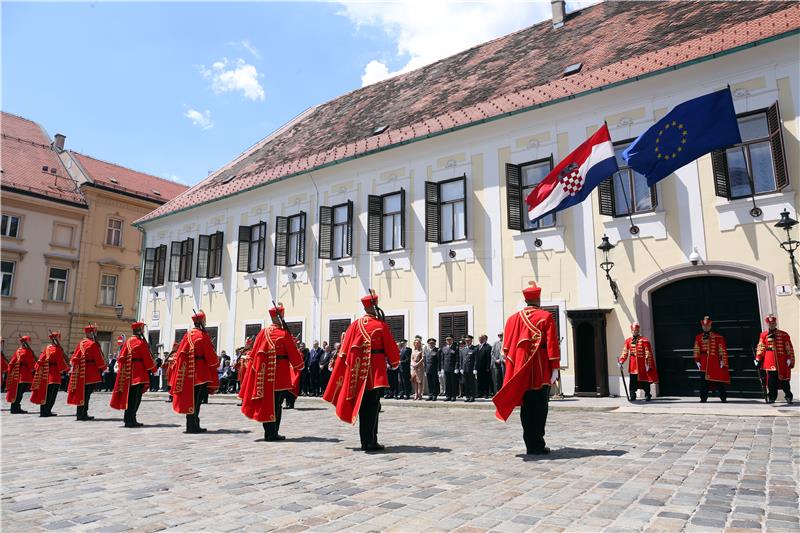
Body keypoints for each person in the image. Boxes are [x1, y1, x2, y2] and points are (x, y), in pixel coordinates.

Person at [323, 292, 400, 452]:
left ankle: (367, 440)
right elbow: (391, 349)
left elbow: (343, 351)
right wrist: (394, 363)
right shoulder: (380, 325)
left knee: (365, 407)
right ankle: (370, 441)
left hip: (356, 374)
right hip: (376, 373)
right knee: (373, 407)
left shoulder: (354, 325)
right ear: (374, 306)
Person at [493, 282, 560, 455]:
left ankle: (530, 443)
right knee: (540, 408)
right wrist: (555, 368)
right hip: (540, 371)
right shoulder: (546, 317)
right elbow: (552, 345)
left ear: (525, 299)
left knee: (527, 408)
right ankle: (537, 444)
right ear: (538, 298)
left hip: (519, 371)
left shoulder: (512, 319)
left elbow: (506, 349)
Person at [241, 304, 305, 441]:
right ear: (280, 317)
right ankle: (273, 432)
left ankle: (268, 432)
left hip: (263, 375)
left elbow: (253, 355)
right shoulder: (283, 334)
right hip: (280, 375)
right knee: (277, 404)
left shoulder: (262, 333)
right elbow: (294, 355)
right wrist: (299, 365)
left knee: (267, 404)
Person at [169, 310, 220, 433]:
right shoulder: (202, 336)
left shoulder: (187, 335)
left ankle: (191, 424)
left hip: (187, 373)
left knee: (190, 400)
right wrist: (215, 362)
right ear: (202, 321)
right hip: (200, 373)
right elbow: (210, 355)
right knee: (197, 401)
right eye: (204, 321)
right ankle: (193, 425)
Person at [110, 322, 156, 427]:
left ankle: (128, 419)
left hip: (128, 374)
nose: (144, 331)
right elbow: (147, 359)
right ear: (140, 330)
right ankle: (131, 419)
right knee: (135, 399)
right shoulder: (141, 342)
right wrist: (154, 368)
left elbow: (121, 357)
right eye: (143, 329)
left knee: (129, 397)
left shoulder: (127, 342)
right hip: (139, 374)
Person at [67, 325, 108, 421]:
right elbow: (98, 359)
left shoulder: (81, 343)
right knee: (86, 395)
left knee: (82, 394)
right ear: (92, 333)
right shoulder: (92, 344)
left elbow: (74, 358)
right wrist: (104, 367)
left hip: (81, 372)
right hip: (90, 373)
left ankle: (80, 413)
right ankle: (83, 413)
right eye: (95, 331)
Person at [756, 314, 794, 404]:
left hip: (782, 361)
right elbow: (761, 347)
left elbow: (788, 347)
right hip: (769, 361)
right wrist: (758, 358)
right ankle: (772, 397)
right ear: (767, 324)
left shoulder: (784, 334)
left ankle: (788, 396)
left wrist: (789, 358)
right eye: (770, 324)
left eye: (773, 323)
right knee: (771, 381)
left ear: (775, 323)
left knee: (784, 380)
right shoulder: (763, 335)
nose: (771, 325)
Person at [30, 331, 69, 417]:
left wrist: (37, 369)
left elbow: (41, 360)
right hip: (54, 374)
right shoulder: (57, 349)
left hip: (46, 374)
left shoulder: (47, 348)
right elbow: (60, 362)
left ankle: (43, 411)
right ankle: (47, 411)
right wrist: (67, 368)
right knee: (52, 395)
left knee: (45, 393)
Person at [618, 322, 658, 401]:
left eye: (636, 330)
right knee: (633, 381)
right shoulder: (628, 341)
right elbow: (625, 352)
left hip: (642, 365)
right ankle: (632, 395)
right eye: (633, 330)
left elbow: (648, 352)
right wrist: (621, 361)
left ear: (638, 330)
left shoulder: (644, 340)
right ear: (631, 331)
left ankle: (647, 394)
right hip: (633, 365)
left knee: (645, 380)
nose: (635, 331)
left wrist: (647, 363)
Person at [693, 316, 730, 403]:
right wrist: (697, 360)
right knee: (703, 382)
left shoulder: (717, 337)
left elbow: (721, 349)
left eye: (707, 326)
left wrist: (722, 360)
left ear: (710, 326)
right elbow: (696, 349)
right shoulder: (698, 337)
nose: (705, 327)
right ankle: (703, 398)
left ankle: (723, 397)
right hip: (703, 361)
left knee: (718, 381)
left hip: (714, 361)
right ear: (702, 326)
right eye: (704, 326)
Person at [6, 336, 37, 414]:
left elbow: (11, 362)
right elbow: (31, 364)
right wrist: (36, 368)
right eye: (29, 341)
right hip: (24, 375)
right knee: (19, 393)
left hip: (17, 375)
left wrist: (11, 373)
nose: (30, 342)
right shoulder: (27, 351)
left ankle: (14, 407)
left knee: (17, 392)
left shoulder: (18, 351)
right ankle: (15, 408)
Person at [460, 335, 478, 402]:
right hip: (464, 369)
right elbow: (461, 360)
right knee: (466, 383)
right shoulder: (463, 349)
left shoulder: (475, 349)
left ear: (471, 341)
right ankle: (467, 396)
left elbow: (476, 360)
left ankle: (472, 396)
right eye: (466, 340)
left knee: (471, 383)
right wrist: (461, 368)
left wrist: (475, 368)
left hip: (471, 369)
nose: (467, 342)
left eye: (469, 340)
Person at [441, 336, 459, 401]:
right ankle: (448, 396)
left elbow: (457, 358)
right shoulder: (444, 348)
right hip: (446, 368)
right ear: (446, 340)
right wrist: (442, 368)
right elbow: (442, 359)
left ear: (452, 340)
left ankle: (453, 396)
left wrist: (456, 367)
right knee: (447, 383)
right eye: (447, 340)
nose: (448, 341)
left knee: (453, 382)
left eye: (450, 339)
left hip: (453, 368)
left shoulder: (456, 348)